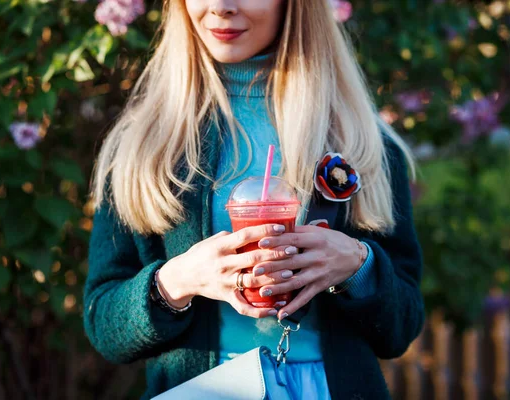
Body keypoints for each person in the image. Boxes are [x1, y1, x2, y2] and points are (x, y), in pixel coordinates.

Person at [84, 0, 425, 399]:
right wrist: (179, 281)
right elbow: (105, 328)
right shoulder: (145, 145)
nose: (220, 7)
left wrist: (358, 265)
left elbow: (401, 328)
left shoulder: (362, 142)